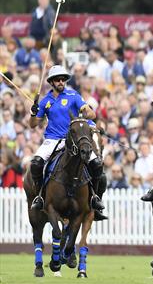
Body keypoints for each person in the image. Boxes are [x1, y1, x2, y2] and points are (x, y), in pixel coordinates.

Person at [29, 65, 106, 220]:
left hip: (74, 139)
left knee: (97, 165)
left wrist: (87, 112)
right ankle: (40, 196)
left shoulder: (73, 95)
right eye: (57, 79)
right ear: (51, 82)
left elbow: (91, 113)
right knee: (36, 163)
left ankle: (95, 198)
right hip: (52, 139)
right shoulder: (46, 101)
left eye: (63, 79)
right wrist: (33, 112)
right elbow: (32, 124)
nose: (61, 81)